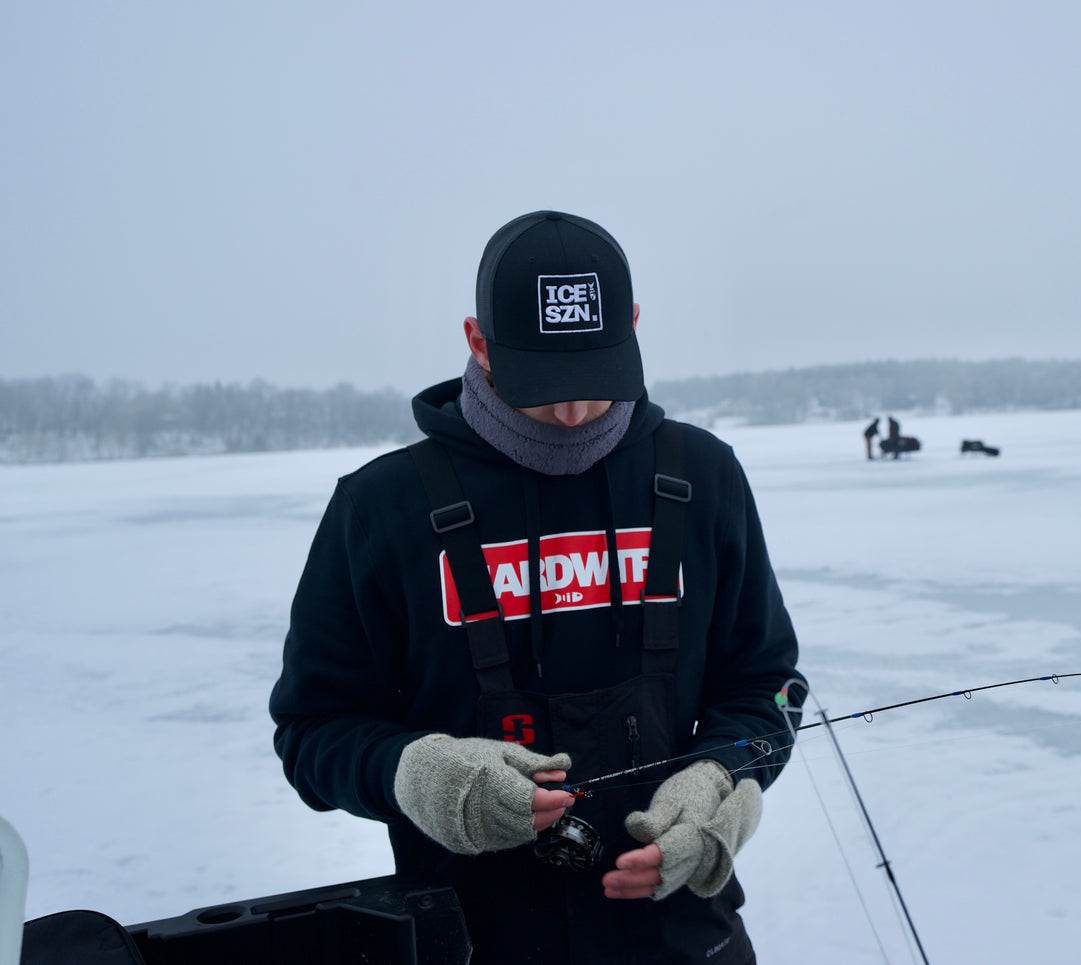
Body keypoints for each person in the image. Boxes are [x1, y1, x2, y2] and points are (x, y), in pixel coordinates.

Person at [269, 210, 804, 964]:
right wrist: (414, 771)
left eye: (596, 374)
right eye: (547, 381)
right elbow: (311, 732)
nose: (574, 410)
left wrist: (722, 775)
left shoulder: (704, 475)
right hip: (471, 939)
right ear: (478, 341)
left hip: (683, 933)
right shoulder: (380, 507)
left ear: (633, 327)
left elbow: (767, 687)